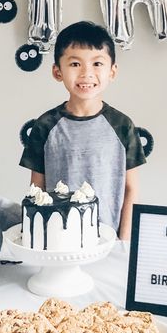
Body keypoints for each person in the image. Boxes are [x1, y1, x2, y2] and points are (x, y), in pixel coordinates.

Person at [19, 21, 146, 240]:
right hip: (58, 240)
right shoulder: (45, 126)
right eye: (75, 64)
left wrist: (124, 242)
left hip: (107, 241)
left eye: (97, 63)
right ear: (57, 71)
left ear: (112, 72)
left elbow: (131, 190)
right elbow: (36, 190)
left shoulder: (122, 125)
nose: (87, 73)